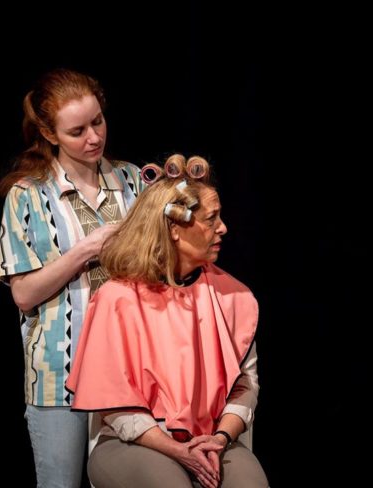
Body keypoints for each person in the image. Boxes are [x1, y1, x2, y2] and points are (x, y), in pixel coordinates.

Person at [65, 154, 268, 488]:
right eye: (211, 219)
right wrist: (176, 449)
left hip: (211, 439)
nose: (223, 228)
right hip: (133, 442)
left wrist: (218, 439)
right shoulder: (118, 299)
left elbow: (245, 386)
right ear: (174, 229)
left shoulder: (234, 297)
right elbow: (115, 406)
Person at [0, 68, 143, 487]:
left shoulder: (132, 181)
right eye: (77, 130)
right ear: (49, 132)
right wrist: (84, 251)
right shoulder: (27, 196)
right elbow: (23, 295)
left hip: (129, 372)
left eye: (97, 122)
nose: (94, 137)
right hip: (60, 374)